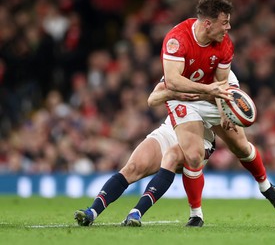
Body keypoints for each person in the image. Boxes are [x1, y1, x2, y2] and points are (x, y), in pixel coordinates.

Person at [120, 0, 275, 228]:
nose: (228, 27)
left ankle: (266, 187)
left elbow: (221, 82)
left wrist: (224, 111)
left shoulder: (225, 43)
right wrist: (205, 90)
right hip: (188, 94)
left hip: (215, 89)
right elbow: (172, 81)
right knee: (192, 154)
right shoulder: (177, 39)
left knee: (239, 144)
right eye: (224, 22)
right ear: (208, 23)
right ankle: (196, 215)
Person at [74, 82, 216, 227]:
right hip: (170, 129)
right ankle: (92, 211)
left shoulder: (220, 77)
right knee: (133, 167)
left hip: (199, 138)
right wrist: (174, 94)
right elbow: (152, 99)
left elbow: (230, 114)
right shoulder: (176, 67)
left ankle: (136, 213)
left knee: (171, 157)